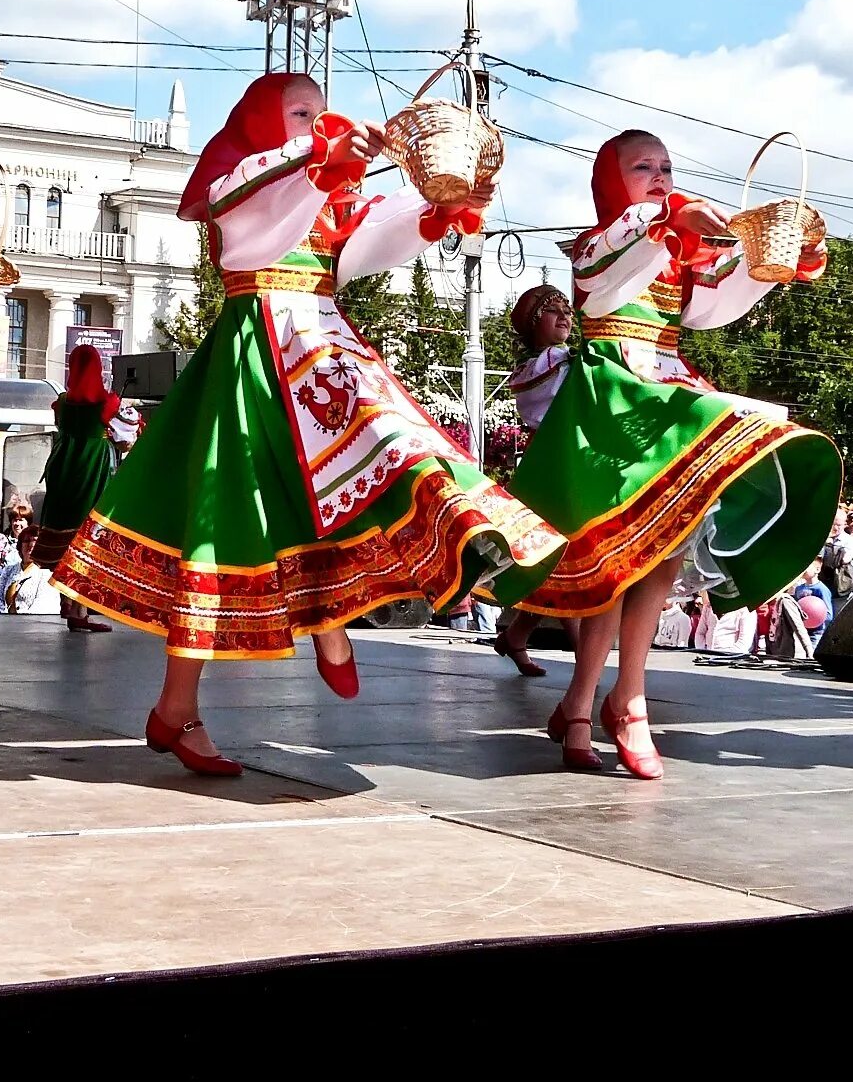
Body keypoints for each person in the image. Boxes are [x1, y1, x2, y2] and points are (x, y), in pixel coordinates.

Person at [53, 72, 563, 776]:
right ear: (262, 118)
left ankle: (316, 627)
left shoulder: (321, 187)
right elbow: (256, 221)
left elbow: (359, 251)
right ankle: (184, 704)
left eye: (321, 113)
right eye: (300, 112)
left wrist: (436, 209)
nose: (315, 123)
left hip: (326, 347)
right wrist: (326, 160)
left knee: (396, 453)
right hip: (258, 354)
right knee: (224, 524)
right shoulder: (245, 178)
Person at [507, 129, 841, 776]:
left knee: (661, 543)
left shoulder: (677, 251)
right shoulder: (601, 243)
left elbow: (717, 301)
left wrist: (776, 253)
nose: (659, 175)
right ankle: (592, 701)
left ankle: (620, 698)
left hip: (663, 385)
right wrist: (668, 216)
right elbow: (600, 277)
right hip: (613, 398)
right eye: (643, 167)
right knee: (613, 554)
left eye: (666, 167)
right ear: (612, 179)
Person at [491, 283, 583, 676]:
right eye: (553, 311)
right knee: (569, 562)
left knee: (557, 564)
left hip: (560, 463)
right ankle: (587, 662)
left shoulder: (549, 363)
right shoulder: (554, 361)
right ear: (533, 324)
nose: (565, 316)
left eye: (567, 309)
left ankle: (515, 637)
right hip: (555, 469)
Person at [33, 344, 125, 632]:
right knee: (87, 537)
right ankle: (80, 610)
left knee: (65, 533)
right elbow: (123, 434)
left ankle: (68, 603)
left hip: (63, 467)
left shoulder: (61, 402)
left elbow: (62, 424)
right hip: (92, 470)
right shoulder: (107, 403)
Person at [0, 527, 61, 615]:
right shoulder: (9, 570)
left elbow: (43, 607)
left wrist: (18, 620)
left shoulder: (47, 573)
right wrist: (4, 618)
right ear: (20, 545)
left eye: (35, 541)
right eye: (27, 541)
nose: (31, 544)